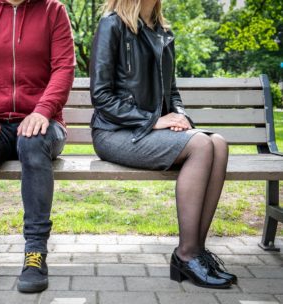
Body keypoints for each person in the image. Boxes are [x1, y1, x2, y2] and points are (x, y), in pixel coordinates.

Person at [90, 0, 237, 289]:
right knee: (202, 146)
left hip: (148, 131)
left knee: (218, 144)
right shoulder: (112, 24)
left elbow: (172, 91)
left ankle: (196, 252)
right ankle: (186, 254)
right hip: (115, 132)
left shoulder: (162, 31)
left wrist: (181, 117)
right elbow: (101, 96)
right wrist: (152, 120)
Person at [0, 0, 75, 293]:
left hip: (44, 124)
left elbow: (63, 69)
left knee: (32, 142)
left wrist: (42, 111)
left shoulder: (53, 11)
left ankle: (35, 254)